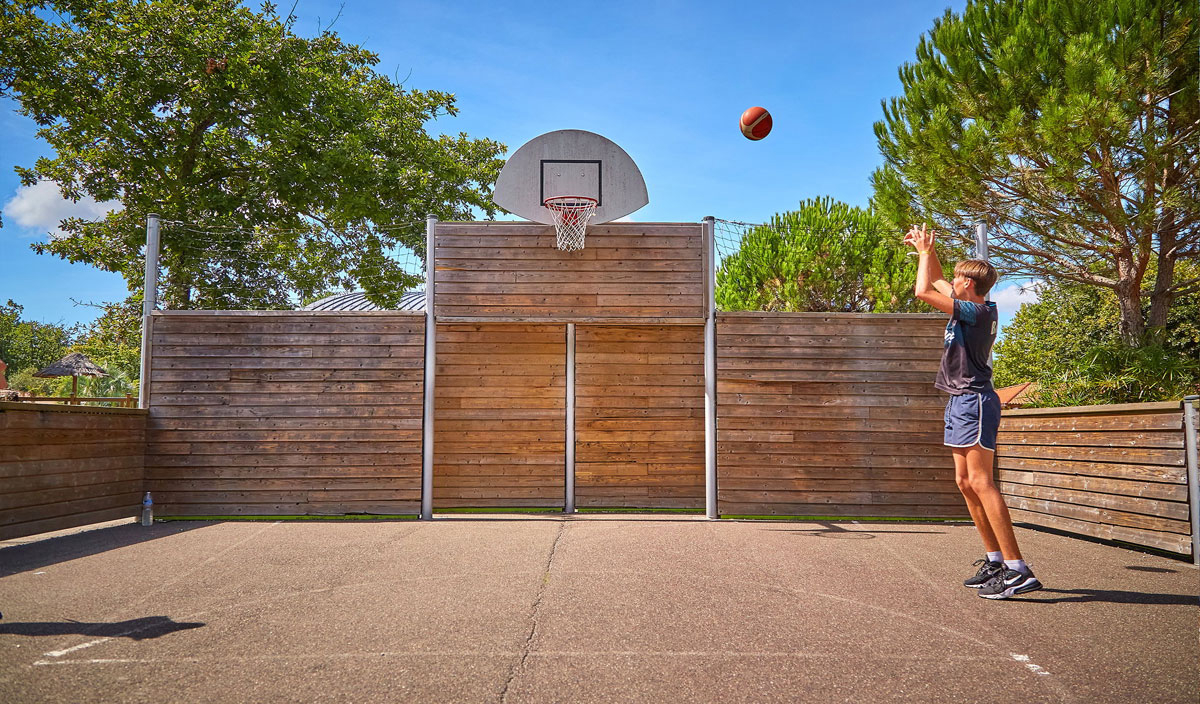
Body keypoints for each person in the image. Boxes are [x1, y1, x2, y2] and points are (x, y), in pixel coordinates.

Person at [904, 224, 1042, 599]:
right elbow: (934, 282)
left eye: (958, 276)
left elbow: (921, 290)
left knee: (982, 482)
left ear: (968, 283)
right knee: (964, 482)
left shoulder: (976, 313)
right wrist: (926, 249)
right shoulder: (972, 305)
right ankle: (995, 559)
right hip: (959, 400)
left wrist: (921, 257)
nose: (952, 279)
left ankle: (1018, 569)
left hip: (976, 400)